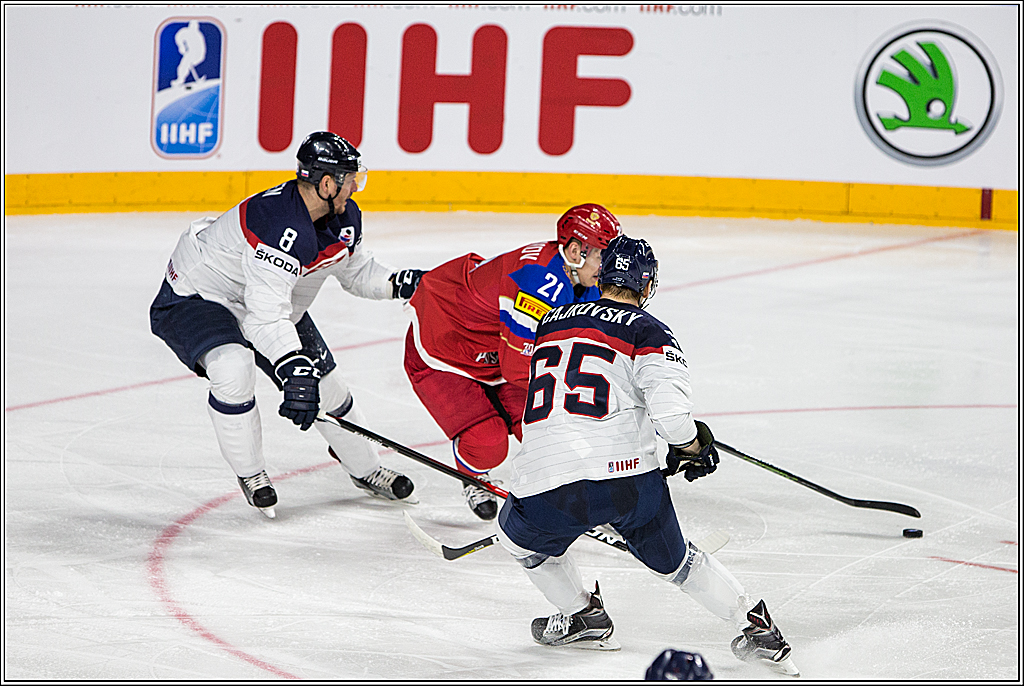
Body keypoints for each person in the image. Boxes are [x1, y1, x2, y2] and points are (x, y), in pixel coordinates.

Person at [494, 236, 799, 676]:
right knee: (677, 562)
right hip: (625, 480)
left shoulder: (550, 322)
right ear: (646, 283)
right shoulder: (648, 330)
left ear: (602, 276)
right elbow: (673, 419)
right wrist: (692, 448)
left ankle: (583, 616)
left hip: (545, 476)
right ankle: (755, 626)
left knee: (518, 542)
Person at [150, 131, 424, 517]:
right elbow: (265, 317)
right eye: (350, 179)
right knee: (232, 368)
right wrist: (293, 366)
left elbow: (357, 273)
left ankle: (366, 470)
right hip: (200, 296)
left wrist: (400, 283)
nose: (355, 187)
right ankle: (252, 474)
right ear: (327, 183)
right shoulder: (276, 223)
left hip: (264, 300)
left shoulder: (342, 216)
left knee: (329, 389)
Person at [404, 205, 621, 520]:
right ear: (575, 251)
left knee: (543, 425)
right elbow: (518, 368)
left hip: (496, 349)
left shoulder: (579, 278)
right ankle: (473, 474)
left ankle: (567, 484)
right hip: (445, 348)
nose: (609, 264)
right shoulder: (539, 284)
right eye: (603, 254)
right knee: (489, 442)